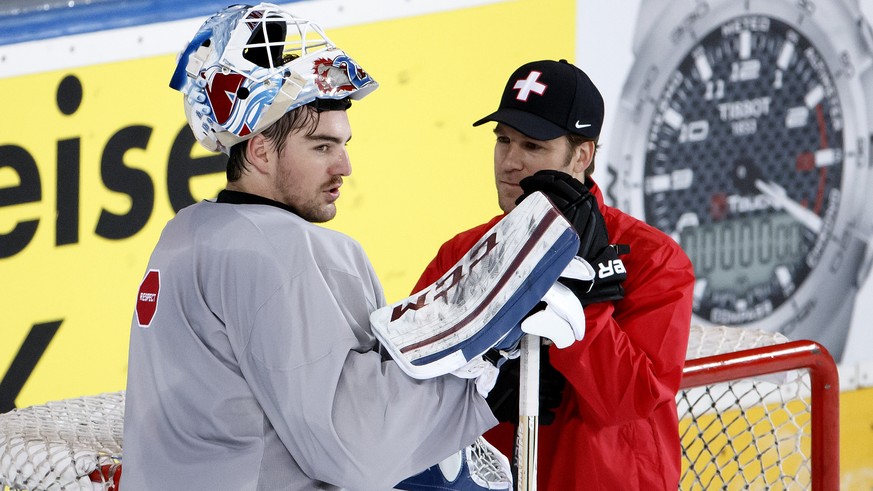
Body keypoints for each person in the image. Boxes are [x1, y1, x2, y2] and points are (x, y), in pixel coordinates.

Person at [122, 5, 577, 490]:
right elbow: (354, 452)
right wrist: (482, 371)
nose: (344, 166)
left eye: (343, 144)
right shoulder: (279, 250)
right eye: (321, 146)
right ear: (257, 150)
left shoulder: (186, 234)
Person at [412, 59, 696, 489]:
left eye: (532, 146)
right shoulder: (462, 254)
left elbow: (629, 400)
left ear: (581, 154)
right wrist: (481, 390)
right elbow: (410, 390)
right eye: (503, 140)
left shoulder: (653, 259)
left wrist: (584, 301)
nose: (509, 162)